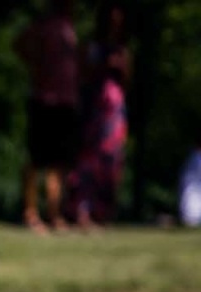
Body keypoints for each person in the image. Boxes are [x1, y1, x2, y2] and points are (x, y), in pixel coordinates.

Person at [16, 0, 81, 233]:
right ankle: (30, 213)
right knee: (37, 159)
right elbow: (20, 45)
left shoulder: (69, 27)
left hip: (65, 101)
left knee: (58, 162)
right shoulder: (44, 26)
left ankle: (54, 214)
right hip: (45, 99)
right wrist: (37, 66)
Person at [68, 4, 129, 229]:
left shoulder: (122, 50)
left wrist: (120, 66)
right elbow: (80, 75)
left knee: (111, 162)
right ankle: (81, 209)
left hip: (115, 112)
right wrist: (102, 65)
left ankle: (102, 212)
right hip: (93, 109)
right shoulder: (91, 48)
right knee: (87, 160)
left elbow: (127, 81)